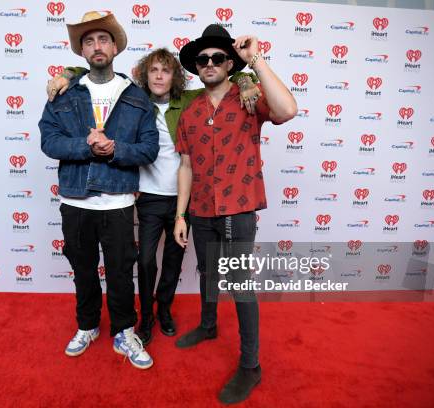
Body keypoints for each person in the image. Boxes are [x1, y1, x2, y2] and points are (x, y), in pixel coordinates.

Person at [47, 49, 261, 346]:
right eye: (154, 70)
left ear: (175, 77)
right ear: (145, 76)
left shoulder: (189, 101)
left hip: (183, 199)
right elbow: (98, 73)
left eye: (166, 70)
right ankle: (145, 316)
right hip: (148, 197)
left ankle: (165, 312)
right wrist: (68, 73)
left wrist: (248, 78)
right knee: (145, 261)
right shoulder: (133, 101)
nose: (160, 75)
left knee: (173, 262)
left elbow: (222, 78)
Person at [173, 24, 297, 403]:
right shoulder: (190, 111)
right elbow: (186, 167)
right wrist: (180, 215)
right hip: (201, 210)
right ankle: (208, 326)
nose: (209, 63)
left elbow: (288, 110)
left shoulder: (250, 96)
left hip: (239, 208)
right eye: (202, 59)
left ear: (229, 63)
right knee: (209, 272)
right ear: (196, 66)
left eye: (217, 57)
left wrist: (254, 60)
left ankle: (250, 366)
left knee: (241, 286)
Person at [38, 11, 159, 370]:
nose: (96, 46)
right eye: (88, 41)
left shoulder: (137, 97)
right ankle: (88, 325)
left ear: (115, 46)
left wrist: (116, 149)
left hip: (119, 202)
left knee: (121, 271)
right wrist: (85, 146)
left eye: (102, 39)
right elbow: (49, 140)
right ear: (81, 51)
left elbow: (148, 149)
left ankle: (124, 330)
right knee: (83, 268)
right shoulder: (64, 93)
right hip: (74, 201)